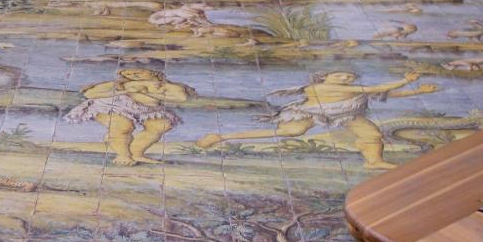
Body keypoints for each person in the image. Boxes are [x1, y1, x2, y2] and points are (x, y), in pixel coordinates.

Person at [196, 71, 437, 169]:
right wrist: (406, 80)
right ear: (325, 77)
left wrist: (417, 91)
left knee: (372, 135)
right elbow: (378, 88)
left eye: (349, 76)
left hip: (345, 115)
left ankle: (374, 161)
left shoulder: (352, 90)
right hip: (311, 113)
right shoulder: (320, 87)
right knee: (290, 132)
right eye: (340, 75)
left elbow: (383, 94)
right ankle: (220, 136)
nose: (346, 78)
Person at [66, 69, 194, 166]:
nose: (133, 75)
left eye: (138, 72)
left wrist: (148, 94)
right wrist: (124, 91)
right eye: (128, 73)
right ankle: (123, 154)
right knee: (122, 126)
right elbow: (89, 93)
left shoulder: (167, 85)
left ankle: (136, 153)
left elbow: (181, 98)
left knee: (162, 125)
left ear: (154, 72)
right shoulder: (121, 83)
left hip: (146, 109)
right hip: (112, 105)